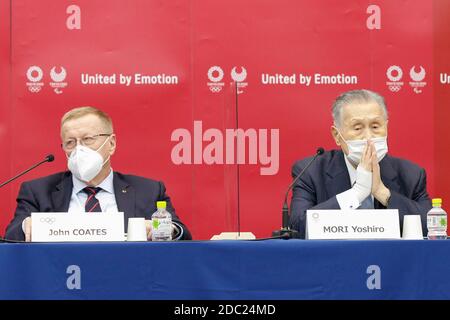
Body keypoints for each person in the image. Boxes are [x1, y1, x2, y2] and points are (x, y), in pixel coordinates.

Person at [5, 106, 192, 241]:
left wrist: (163, 229)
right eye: (70, 142)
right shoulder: (37, 191)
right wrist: (25, 226)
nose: (79, 149)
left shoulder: (148, 190)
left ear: (111, 144)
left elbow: (182, 234)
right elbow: (10, 236)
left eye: (87, 139)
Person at [289, 89, 432, 239]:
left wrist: (383, 193)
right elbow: (297, 229)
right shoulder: (310, 172)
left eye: (375, 126)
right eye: (357, 128)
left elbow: (432, 229)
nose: (368, 136)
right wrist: (356, 194)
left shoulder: (411, 175)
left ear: (386, 128)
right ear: (337, 135)